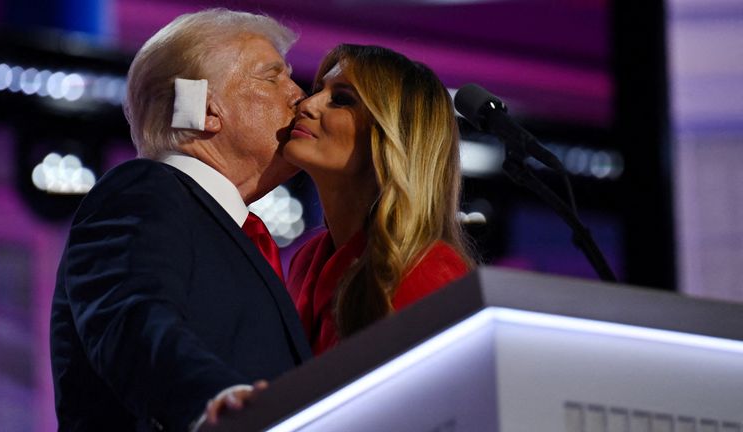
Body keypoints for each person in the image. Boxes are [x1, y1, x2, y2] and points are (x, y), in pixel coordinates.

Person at [50, 9, 311, 431]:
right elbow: (130, 318)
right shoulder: (142, 190)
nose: (299, 94)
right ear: (206, 111)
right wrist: (213, 400)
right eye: (271, 76)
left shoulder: (237, 234)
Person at [284, 44, 475, 355]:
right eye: (317, 89)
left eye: (341, 100)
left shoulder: (427, 271)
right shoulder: (307, 258)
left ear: (390, 138)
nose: (307, 104)